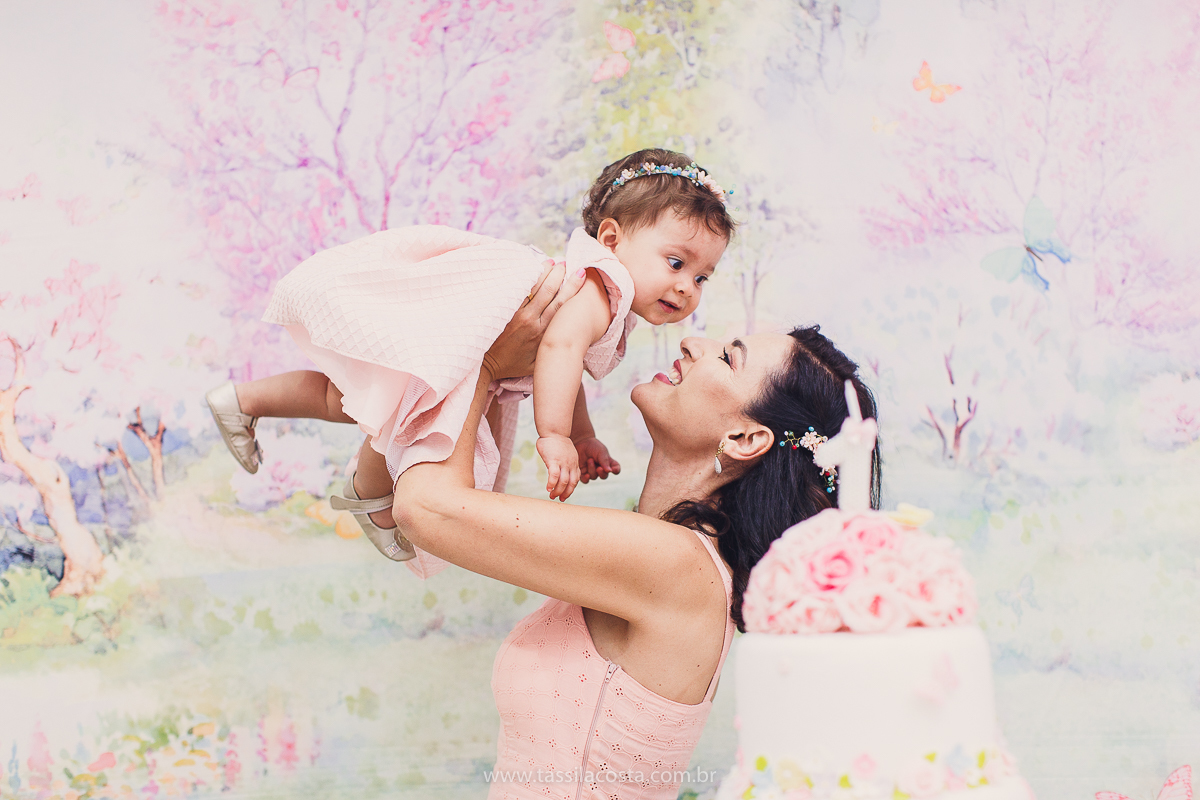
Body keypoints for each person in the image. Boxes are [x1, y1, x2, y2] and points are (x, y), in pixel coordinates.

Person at [392, 261, 882, 800]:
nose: (694, 343)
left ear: (745, 439)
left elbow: (426, 509)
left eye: (726, 357)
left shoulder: (677, 564)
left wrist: (484, 360)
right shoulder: (669, 556)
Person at [205, 149, 735, 576]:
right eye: (675, 262)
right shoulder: (605, 286)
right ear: (613, 239)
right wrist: (554, 435)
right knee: (388, 407)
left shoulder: (603, 290)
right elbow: (559, 350)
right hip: (469, 320)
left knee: (354, 398)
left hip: (463, 319)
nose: (687, 287)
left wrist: (583, 434)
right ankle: (372, 498)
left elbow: (563, 362)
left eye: (702, 277)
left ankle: (243, 400)